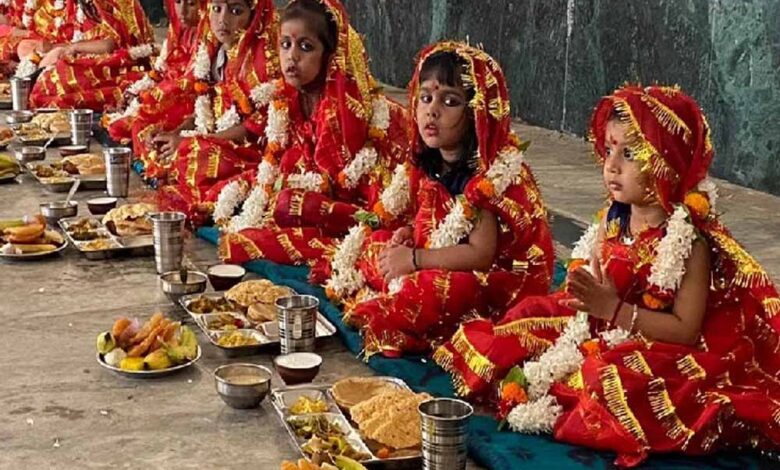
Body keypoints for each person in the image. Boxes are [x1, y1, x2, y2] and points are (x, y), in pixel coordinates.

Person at [434, 84, 780, 466]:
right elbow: (592, 289)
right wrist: (594, 302)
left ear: (666, 162)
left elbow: (684, 330)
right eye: (610, 148)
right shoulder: (614, 218)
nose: (611, 165)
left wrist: (614, 310)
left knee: (608, 379)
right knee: (521, 321)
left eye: (629, 153)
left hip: (658, 343)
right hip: (597, 321)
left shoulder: (689, 241)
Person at [318, 42, 554, 359]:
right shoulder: (430, 161)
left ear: (477, 114)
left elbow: (480, 255)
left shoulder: (487, 176)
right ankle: (396, 295)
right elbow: (429, 218)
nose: (432, 110)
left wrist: (415, 260)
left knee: (431, 289)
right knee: (376, 243)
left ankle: (399, 306)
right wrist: (408, 236)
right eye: (426, 97)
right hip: (438, 255)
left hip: (488, 278)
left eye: (450, 101)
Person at [197, 0, 408, 264]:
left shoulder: (346, 107)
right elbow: (280, 159)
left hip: (362, 190)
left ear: (329, 55)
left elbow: (343, 184)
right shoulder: (287, 95)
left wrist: (284, 189)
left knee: (287, 205)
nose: (292, 56)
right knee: (228, 179)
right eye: (285, 44)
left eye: (305, 47)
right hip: (307, 184)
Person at [154, 0, 280, 223]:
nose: (223, 20)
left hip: (246, 149)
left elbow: (252, 127)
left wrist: (197, 141)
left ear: (254, 15)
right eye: (217, 9)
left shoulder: (262, 59)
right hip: (213, 137)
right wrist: (177, 132)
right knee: (156, 138)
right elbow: (207, 106)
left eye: (235, 11)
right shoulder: (214, 50)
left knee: (194, 154)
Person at [104, 0, 205, 166]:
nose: (182, 11)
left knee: (140, 127)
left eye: (191, 4)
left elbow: (189, 84)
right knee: (120, 126)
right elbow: (159, 71)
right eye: (178, 2)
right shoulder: (176, 30)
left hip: (188, 101)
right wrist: (135, 93)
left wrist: (147, 99)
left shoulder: (208, 39)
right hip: (166, 94)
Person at [26, 0, 156, 111]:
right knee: (51, 68)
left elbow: (110, 45)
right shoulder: (80, 4)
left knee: (58, 77)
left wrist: (74, 48)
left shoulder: (106, 3)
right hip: (96, 59)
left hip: (122, 63)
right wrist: (60, 49)